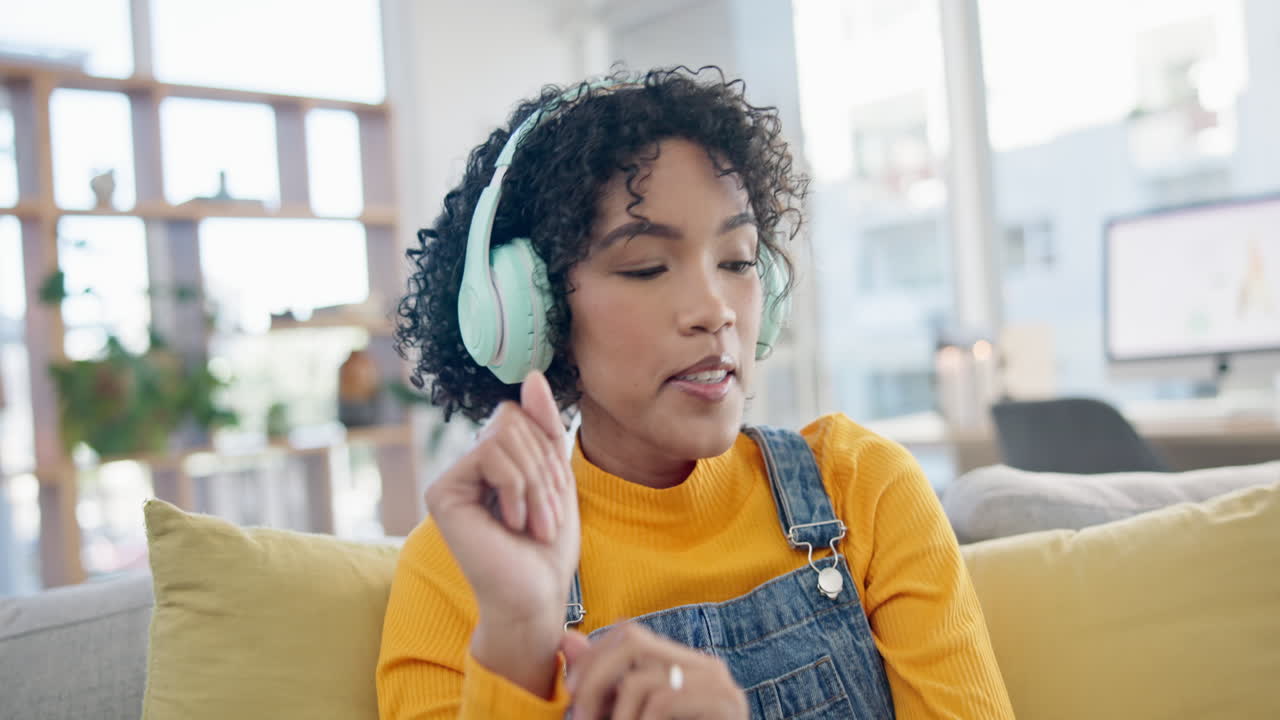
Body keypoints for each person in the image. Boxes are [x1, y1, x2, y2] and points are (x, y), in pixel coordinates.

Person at [378, 66, 1014, 720]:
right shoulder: (461, 570)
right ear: (534, 312)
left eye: (737, 261)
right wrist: (517, 640)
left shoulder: (863, 488)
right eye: (646, 267)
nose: (715, 309)